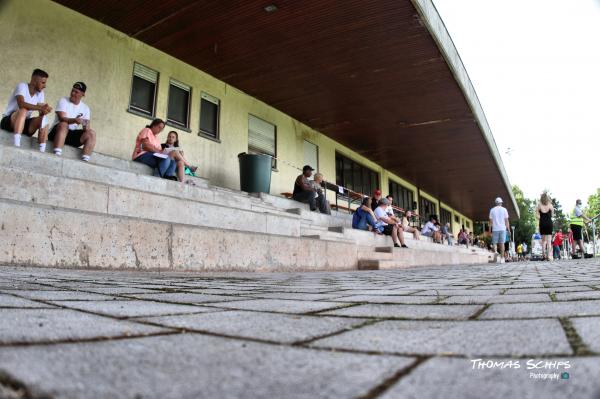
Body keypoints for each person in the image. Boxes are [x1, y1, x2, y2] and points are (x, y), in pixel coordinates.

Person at [1, 68, 52, 150]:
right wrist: (40, 107)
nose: (44, 86)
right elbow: (21, 104)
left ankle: (42, 150)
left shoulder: (40, 94)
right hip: (9, 122)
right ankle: (16, 145)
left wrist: (44, 111)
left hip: (24, 124)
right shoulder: (22, 86)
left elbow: (40, 113)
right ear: (34, 81)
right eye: (43, 83)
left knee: (44, 119)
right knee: (23, 110)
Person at [48, 82, 96, 162]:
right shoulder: (63, 100)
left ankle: (85, 160)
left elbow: (86, 128)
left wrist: (85, 124)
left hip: (71, 135)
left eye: (76, 92)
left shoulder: (85, 108)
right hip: (56, 133)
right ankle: (57, 154)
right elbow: (61, 118)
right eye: (72, 91)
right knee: (64, 124)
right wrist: (74, 120)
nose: (73, 93)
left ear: (83, 94)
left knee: (91, 133)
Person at [489, 197, 510, 263]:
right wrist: (509, 230)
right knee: (502, 243)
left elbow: (490, 222)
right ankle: (502, 258)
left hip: (495, 229)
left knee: (494, 243)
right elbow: (506, 221)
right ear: (501, 203)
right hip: (502, 229)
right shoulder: (504, 210)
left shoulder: (492, 210)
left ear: (495, 203)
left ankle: (495, 251)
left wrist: (490, 230)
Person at [535, 192, 554, 261]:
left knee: (543, 241)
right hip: (549, 223)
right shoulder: (550, 205)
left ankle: (543, 255)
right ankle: (549, 256)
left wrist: (541, 218)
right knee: (549, 241)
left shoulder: (539, 205)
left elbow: (537, 216)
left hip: (542, 223)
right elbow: (552, 215)